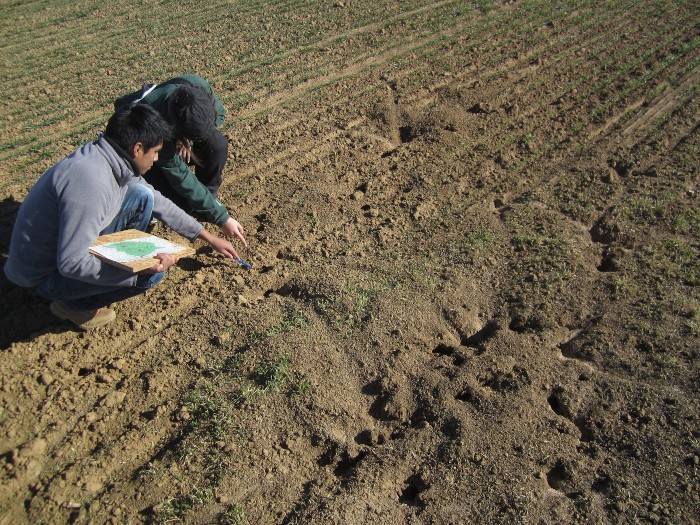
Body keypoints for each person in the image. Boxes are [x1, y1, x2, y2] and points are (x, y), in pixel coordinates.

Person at [4, 104, 245, 330]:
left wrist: (207, 236)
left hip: (63, 249)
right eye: (155, 152)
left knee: (142, 195)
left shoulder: (109, 157)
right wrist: (136, 270)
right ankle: (73, 305)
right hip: (45, 276)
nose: (156, 159)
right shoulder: (91, 184)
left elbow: (158, 201)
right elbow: (71, 263)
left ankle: (99, 281)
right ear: (137, 148)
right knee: (152, 275)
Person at [118, 73, 247, 245]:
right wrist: (222, 218)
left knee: (217, 144)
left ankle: (208, 199)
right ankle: (176, 208)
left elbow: (219, 115)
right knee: (183, 203)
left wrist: (188, 140)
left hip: (175, 133)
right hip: (144, 156)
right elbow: (181, 176)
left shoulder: (197, 87)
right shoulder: (153, 121)